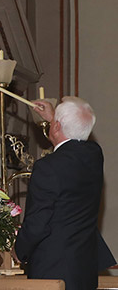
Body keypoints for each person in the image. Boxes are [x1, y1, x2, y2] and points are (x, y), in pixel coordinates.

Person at [15, 96, 108, 290]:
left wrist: (19, 251)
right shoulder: (94, 155)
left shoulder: (47, 167)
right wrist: (54, 119)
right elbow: (77, 137)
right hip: (83, 269)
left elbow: (38, 224)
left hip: (52, 271)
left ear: (57, 127)